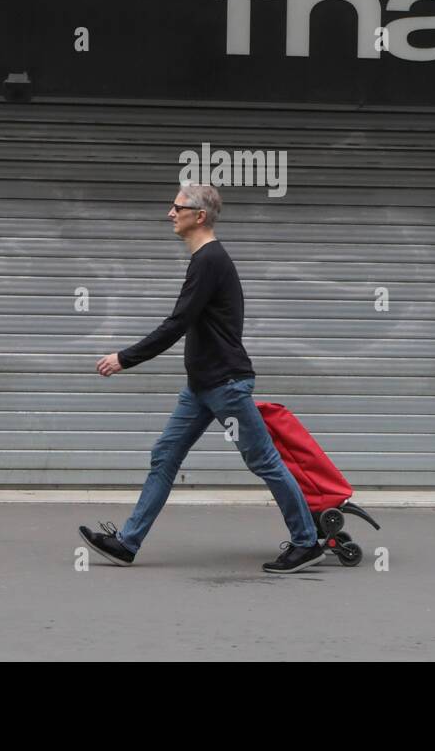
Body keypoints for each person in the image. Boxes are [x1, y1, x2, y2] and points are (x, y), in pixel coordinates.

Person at [78, 183, 325, 574]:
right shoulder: (205, 260)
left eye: (177, 207)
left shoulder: (210, 260)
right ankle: (127, 543)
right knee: (165, 455)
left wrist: (125, 358)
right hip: (202, 387)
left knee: (264, 461)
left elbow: (178, 323)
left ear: (200, 216)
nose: (170, 213)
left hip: (224, 385)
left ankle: (306, 541)